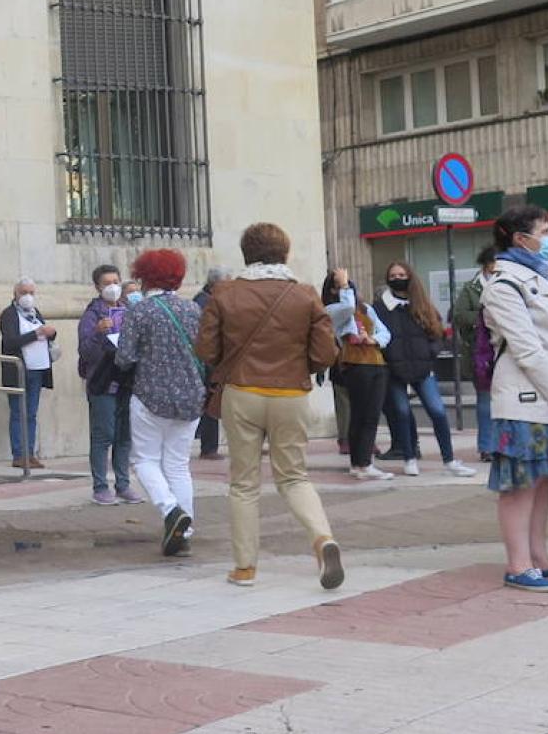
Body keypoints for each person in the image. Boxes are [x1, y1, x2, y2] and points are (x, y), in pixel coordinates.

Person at [196, 223, 343, 590]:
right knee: (294, 476)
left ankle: (245, 568)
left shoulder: (226, 294)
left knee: (244, 483)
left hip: (242, 392)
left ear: (246, 253)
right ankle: (323, 539)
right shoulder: (306, 295)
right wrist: (297, 366)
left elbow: (206, 350)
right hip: (291, 394)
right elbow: (326, 353)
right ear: (285, 254)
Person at [480, 204, 548, 591]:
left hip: (546, 397)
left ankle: (540, 558)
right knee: (519, 485)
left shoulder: (540, 276)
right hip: (524, 398)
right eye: (545, 230)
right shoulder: (505, 284)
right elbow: (528, 350)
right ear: (521, 239)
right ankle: (518, 565)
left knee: (542, 484)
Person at [115, 250, 206, 557]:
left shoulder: (140, 312)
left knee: (145, 460)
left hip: (150, 396)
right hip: (190, 396)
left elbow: (124, 357)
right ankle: (186, 529)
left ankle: (170, 511)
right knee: (179, 465)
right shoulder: (192, 309)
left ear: (144, 276)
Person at [377, 261, 476, 477]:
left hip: (423, 368)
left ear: (409, 276)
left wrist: (431, 352)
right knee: (401, 413)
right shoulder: (380, 308)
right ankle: (409, 457)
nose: (397, 278)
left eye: (401, 274)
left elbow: (437, 331)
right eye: (393, 275)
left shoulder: (421, 303)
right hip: (394, 369)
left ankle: (449, 459)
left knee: (438, 411)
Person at [323, 269, 395, 481]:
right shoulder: (330, 309)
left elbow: (385, 332)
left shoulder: (366, 308)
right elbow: (346, 308)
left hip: (376, 362)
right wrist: (344, 287)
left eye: (347, 284)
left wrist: (373, 340)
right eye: (340, 285)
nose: (346, 288)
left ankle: (362, 463)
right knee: (360, 414)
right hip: (354, 364)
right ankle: (361, 462)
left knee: (371, 415)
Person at [78, 265, 140, 504]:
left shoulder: (128, 311)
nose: (113, 286)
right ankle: (100, 486)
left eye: (116, 281)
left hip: (126, 381)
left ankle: (123, 484)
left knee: (124, 437)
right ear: (98, 287)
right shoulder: (92, 314)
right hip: (104, 383)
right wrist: (97, 332)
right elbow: (85, 350)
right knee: (103, 435)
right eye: (107, 283)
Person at [0, 279, 56, 468]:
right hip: (19, 371)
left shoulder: (35, 313)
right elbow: (10, 342)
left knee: (31, 413)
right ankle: (19, 454)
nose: (28, 296)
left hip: (38, 369)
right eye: (24, 292)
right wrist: (37, 333)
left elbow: (44, 334)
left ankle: (29, 452)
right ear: (15, 293)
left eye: (31, 292)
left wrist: (50, 333)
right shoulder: (8, 315)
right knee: (18, 412)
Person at [451, 247, 499, 460]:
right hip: (481, 354)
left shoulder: (509, 282)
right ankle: (486, 447)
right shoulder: (471, 288)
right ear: (486, 264)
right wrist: (485, 316)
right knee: (485, 402)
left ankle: (504, 444)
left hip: (506, 350)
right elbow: (458, 315)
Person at [194, 266, 231, 459]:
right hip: (208, 362)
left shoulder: (212, 300)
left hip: (215, 360)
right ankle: (209, 447)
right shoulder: (204, 302)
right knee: (210, 403)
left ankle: (211, 446)